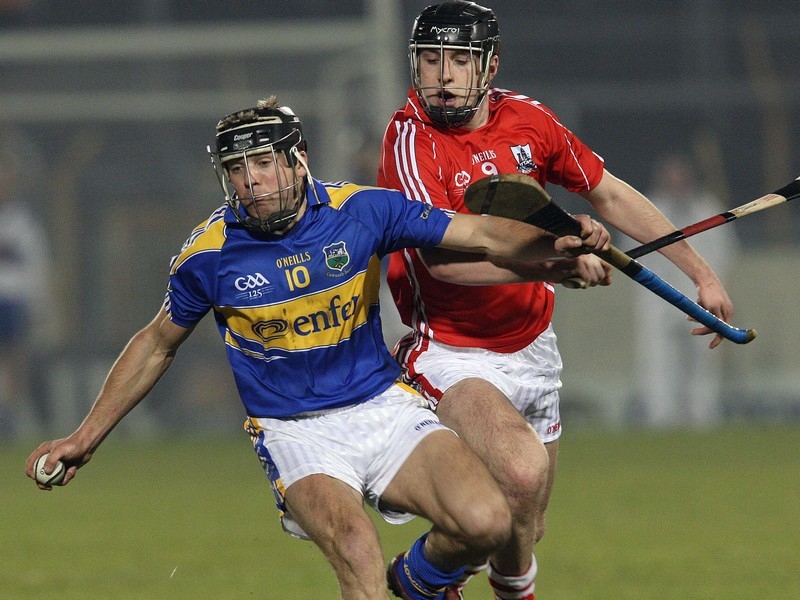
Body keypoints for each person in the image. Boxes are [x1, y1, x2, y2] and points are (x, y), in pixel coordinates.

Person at [26, 96, 611, 600]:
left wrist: (553, 249)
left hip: (382, 406)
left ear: (297, 160)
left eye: (262, 163)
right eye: (235, 169)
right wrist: (84, 438)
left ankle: (412, 582)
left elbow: (482, 233)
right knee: (356, 555)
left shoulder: (362, 211)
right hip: (295, 431)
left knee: (487, 523)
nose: (249, 180)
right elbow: (156, 344)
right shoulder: (209, 255)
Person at [378, 2, 735, 598]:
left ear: (488, 65)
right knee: (519, 471)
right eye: (431, 59)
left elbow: (609, 195)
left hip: (533, 345)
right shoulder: (410, 140)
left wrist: (702, 275)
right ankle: (417, 581)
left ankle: (456, 584)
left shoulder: (529, 119)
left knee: (526, 526)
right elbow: (440, 263)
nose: (442, 75)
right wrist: (557, 263)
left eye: (458, 60)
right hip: (451, 350)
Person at [634, 153, 739, 428]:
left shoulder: (708, 209)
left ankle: (703, 420)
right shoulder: (646, 209)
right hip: (657, 301)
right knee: (658, 364)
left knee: (704, 363)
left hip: (700, 300)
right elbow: (633, 258)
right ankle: (660, 422)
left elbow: (724, 254)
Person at [0, 130, 50, 438]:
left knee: (14, 361)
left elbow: (37, 268)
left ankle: (12, 417)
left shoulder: (23, 222)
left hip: (12, 304)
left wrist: (40, 309)